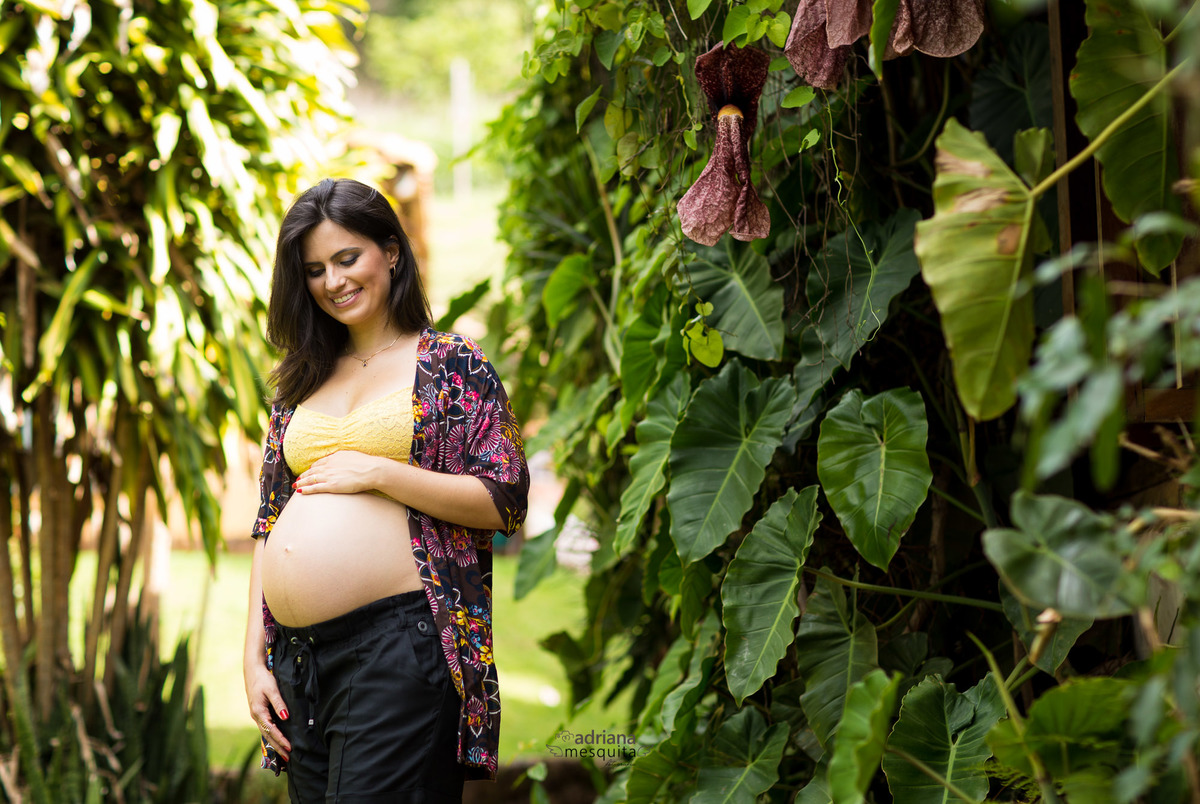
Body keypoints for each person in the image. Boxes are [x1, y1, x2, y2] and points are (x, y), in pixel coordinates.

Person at [243, 177, 529, 803]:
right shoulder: (299, 379)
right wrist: (254, 660)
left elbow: (505, 498)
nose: (334, 281)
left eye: (348, 258)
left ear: (391, 251)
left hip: (399, 646)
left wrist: (378, 472)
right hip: (300, 663)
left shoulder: (450, 363)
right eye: (315, 269)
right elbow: (269, 522)